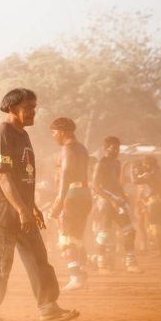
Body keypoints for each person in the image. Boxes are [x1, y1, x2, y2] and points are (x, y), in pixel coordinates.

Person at [0, 88, 79, 321]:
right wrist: (23, 210)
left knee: (38, 258)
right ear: (12, 108)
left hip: (23, 210)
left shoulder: (22, 135)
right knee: (1, 262)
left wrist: (32, 207)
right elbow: (4, 178)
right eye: (28, 108)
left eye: (34, 107)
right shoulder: (3, 134)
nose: (33, 112)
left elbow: (23, 175)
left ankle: (48, 308)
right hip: (5, 212)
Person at [48, 118, 92, 291]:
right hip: (84, 193)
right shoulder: (81, 148)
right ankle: (82, 276)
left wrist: (59, 199)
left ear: (62, 131)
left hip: (71, 195)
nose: (53, 137)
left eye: (54, 133)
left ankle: (76, 277)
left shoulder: (67, 148)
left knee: (66, 239)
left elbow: (66, 173)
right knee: (78, 238)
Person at [92, 136, 141, 273]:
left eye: (118, 149)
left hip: (117, 200)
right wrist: (111, 200)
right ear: (105, 149)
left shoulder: (117, 163)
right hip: (105, 202)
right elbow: (96, 186)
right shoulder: (100, 164)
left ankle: (130, 263)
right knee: (105, 233)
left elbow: (116, 183)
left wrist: (123, 195)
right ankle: (101, 264)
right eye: (113, 149)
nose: (116, 151)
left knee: (129, 231)